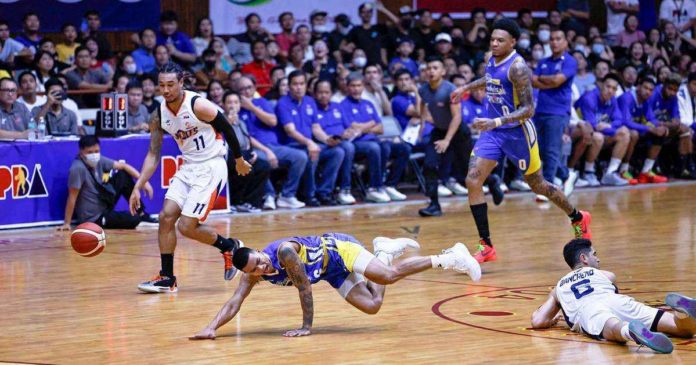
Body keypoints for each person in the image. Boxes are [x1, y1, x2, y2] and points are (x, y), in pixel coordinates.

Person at [450, 19, 591, 263]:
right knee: (472, 179)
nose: (494, 43)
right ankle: (486, 246)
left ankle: (577, 216)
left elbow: (528, 109)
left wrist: (496, 121)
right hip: (493, 132)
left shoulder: (518, 68)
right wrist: (465, 88)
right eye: (492, 39)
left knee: (538, 185)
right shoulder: (492, 59)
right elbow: (490, 80)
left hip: (518, 132)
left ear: (513, 42)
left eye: (500, 40)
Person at [189, 233, 481, 339]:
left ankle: (450, 257)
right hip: (330, 272)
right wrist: (212, 327)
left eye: (261, 262)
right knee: (373, 306)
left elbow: (305, 290)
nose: (263, 269)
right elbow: (235, 301)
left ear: (259, 251)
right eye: (257, 270)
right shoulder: (252, 273)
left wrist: (306, 326)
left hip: (340, 251)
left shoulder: (284, 253)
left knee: (388, 277)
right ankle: (385, 249)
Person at [127, 62, 252, 293]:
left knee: (186, 226)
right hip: (189, 166)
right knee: (165, 217)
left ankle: (229, 246)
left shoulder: (198, 105)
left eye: (171, 85)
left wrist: (239, 159)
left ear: (181, 83)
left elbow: (226, 127)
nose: (165, 90)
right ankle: (167, 278)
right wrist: (138, 185)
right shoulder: (159, 115)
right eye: (161, 85)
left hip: (211, 165)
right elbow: (153, 153)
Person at [531, 238, 696, 354]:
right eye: (594, 254)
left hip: (589, 309)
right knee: (681, 330)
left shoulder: (560, 286)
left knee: (613, 328)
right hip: (617, 301)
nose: (598, 258)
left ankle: (630, 332)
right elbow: (608, 281)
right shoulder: (606, 275)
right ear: (584, 258)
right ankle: (684, 315)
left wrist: (553, 316)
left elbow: (538, 321)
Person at [58, 135, 156, 231]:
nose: (94, 155)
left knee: (122, 175)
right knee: (133, 219)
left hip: (104, 203)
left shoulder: (99, 160)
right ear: (81, 152)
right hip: (94, 219)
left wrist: (143, 182)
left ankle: (142, 213)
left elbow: (123, 166)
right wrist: (67, 223)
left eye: (96, 151)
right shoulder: (77, 168)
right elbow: (72, 197)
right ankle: (137, 218)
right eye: (90, 152)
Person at [276, 70, 344, 206]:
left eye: (301, 83)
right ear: (289, 86)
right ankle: (309, 194)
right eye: (295, 84)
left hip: (308, 144)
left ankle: (324, 192)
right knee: (311, 153)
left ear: (306, 85)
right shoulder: (283, 103)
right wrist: (310, 143)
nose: (299, 87)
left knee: (337, 152)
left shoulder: (309, 101)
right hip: (291, 145)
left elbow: (315, 128)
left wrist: (327, 139)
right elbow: (290, 131)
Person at [417, 57, 471, 217]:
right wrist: (422, 122)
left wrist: (447, 140)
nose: (431, 71)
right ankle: (434, 205)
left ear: (443, 71)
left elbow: (457, 117)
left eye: (435, 68)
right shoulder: (423, 89)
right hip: (439, 131)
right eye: (428, 68)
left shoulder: (450, 90)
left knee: (469, 170)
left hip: (459, 132)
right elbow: (422, 104)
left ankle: (492, 181)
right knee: (429, 165)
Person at [531, 29, 577, 201]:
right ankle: (566, 175)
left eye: (558, 39)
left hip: (558, 111)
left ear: (565, 42)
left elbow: (558, 81)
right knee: (539, 150)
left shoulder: (570, 61)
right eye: (552, 39)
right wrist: (550, 81)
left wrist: (544, 80)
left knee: (551, 150)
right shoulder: (543, 61)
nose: (554, 42)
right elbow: (533, 81)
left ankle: (548, 187)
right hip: (541, 110)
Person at [574, 74, 634, 186]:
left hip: (598, 132)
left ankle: (610, 173)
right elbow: (591, 125)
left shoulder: (613, 100)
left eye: (614, 89)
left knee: (624, 132)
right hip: (578, 131)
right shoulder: (589, 98)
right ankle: (588, 172)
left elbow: (619, 120)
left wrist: (609, 127)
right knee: (598, 137)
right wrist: (607, 128)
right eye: (608, 86)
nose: (610, 91)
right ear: (601, 85)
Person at [222, 91, 271, 213]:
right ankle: (235, 201)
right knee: (245, 166)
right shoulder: (220, 120)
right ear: (223, 105)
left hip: (243, 154)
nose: (232, 105)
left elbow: (246, 141)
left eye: (236, 102)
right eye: (229, 102)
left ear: (240, 105)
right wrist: (228, 123)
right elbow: (220, 140)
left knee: (263, 166)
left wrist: (252, 152)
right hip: (226, 155)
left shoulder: (241, 122)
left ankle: (250, 202)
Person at [617, 76, 669, 184]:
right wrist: (649, 128)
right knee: (634, 134)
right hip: (618, 130)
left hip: (634, 129)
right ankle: (623, 170)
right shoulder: (626, 98)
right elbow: (625, 122)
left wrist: (661, 126)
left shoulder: (646, 101)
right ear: (638, 87)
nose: (648, 92)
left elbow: (651, 118)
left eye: (651, 90)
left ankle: (646, 172)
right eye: (645, 88)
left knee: (660, 133)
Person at [313, 80, 357, 205]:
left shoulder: (337, 106)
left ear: (331, 93)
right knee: (341, 150)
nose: (323, 95)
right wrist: (327, 139)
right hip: (320, 143)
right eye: (320, 92)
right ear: (315, 94)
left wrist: (347, 133)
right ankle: (326, 191)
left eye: (326, 92)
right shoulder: (312, 108)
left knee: (347, 147)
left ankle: (344, 189)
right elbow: (315, 130)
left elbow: (349, 126)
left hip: (340, 140)